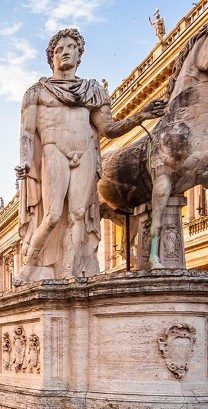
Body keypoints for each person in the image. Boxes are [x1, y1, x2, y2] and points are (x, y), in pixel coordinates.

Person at [14, 28, 165, 285]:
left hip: (84, 152)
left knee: (78, 214)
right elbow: (27, 133)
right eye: (59, 49)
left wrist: (140, 115)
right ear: (51, 57)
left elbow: (109, 129)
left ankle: (69, 271)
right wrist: (26, 161)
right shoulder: (36, 92)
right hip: (53, 151)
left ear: (79, 54)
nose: (65, 53)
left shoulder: (92, 91)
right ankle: (28, 266)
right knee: (51, 215)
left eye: (71, 47)